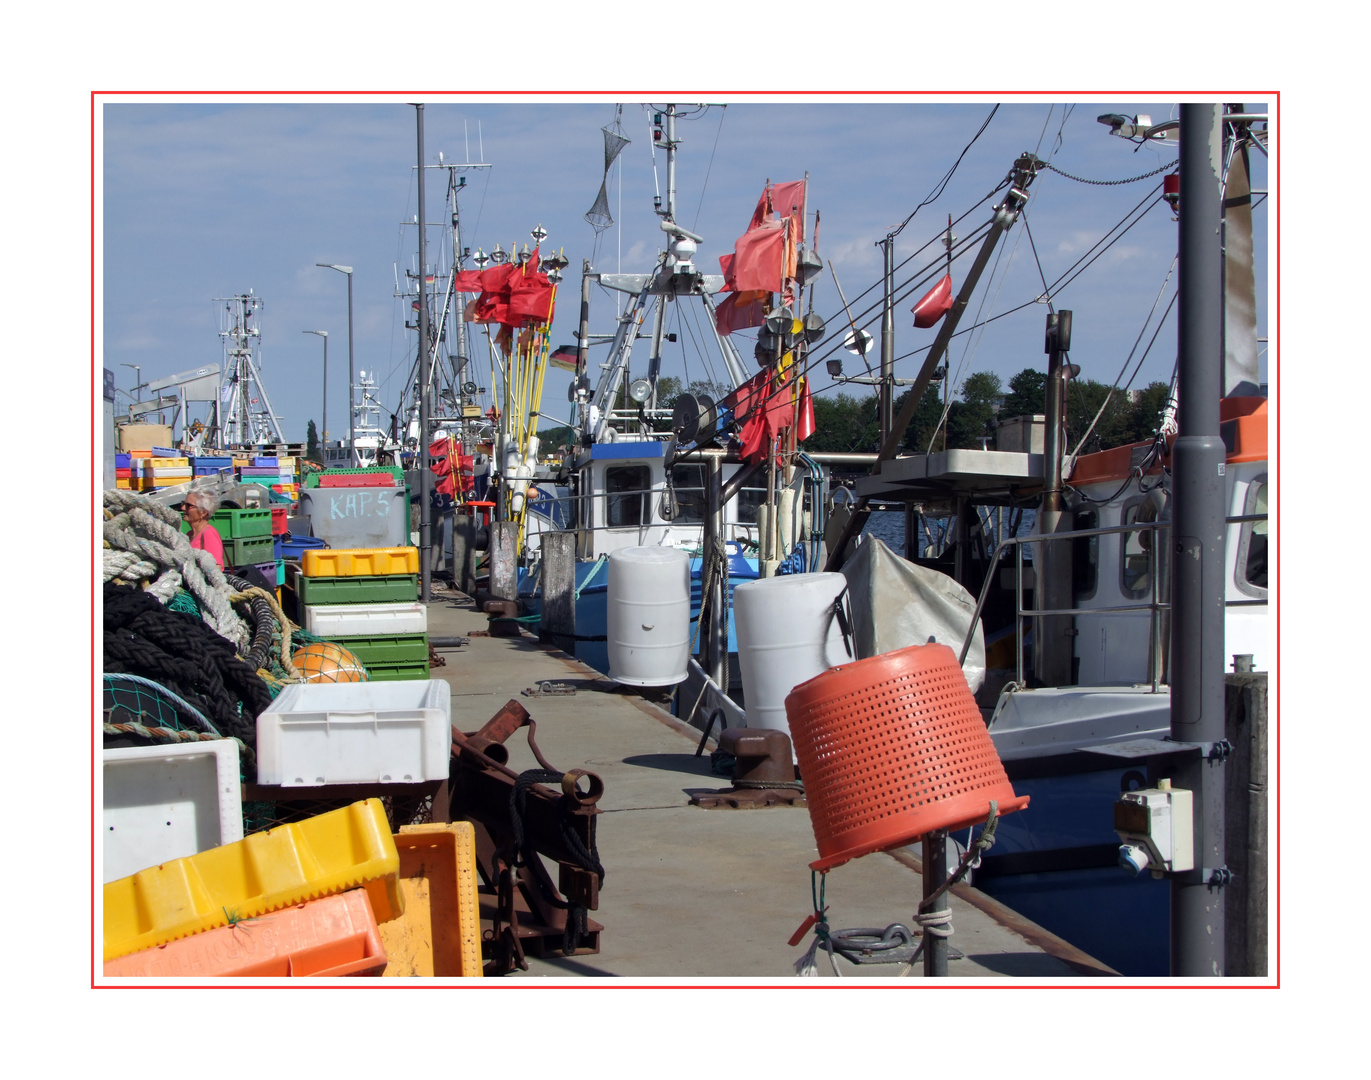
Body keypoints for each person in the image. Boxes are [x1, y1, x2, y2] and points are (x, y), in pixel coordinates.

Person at [182, 489, 226, 569]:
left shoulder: (209, 533)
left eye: (188, 506)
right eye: (183, 504)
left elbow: (215, 569)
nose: (182, 508)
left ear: (203, 512)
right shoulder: (189, 535)